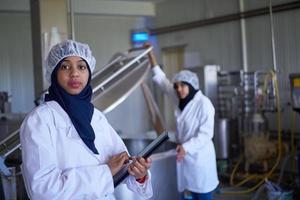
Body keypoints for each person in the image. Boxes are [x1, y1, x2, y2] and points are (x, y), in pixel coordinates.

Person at [20, 40, 153, 200]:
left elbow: (122, 163)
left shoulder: (96, 117)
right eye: (65, 66)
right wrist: (106, 172)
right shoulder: (39, 120)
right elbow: (43, 190)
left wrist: (139, 174)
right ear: (54, 73)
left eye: (81, 67)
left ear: (89, 73)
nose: (74, 73)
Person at [147, 46, 219, 200]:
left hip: (199, 159)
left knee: (202, 194)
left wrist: (186, 147)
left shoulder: (204, 104)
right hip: (183, 157)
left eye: (183, 85)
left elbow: (206, 135)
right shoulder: (179, 98)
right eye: (177, 86)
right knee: (185, 192)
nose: (178, 89)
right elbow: (162, 81)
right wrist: (151, 56)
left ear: (192, 86)